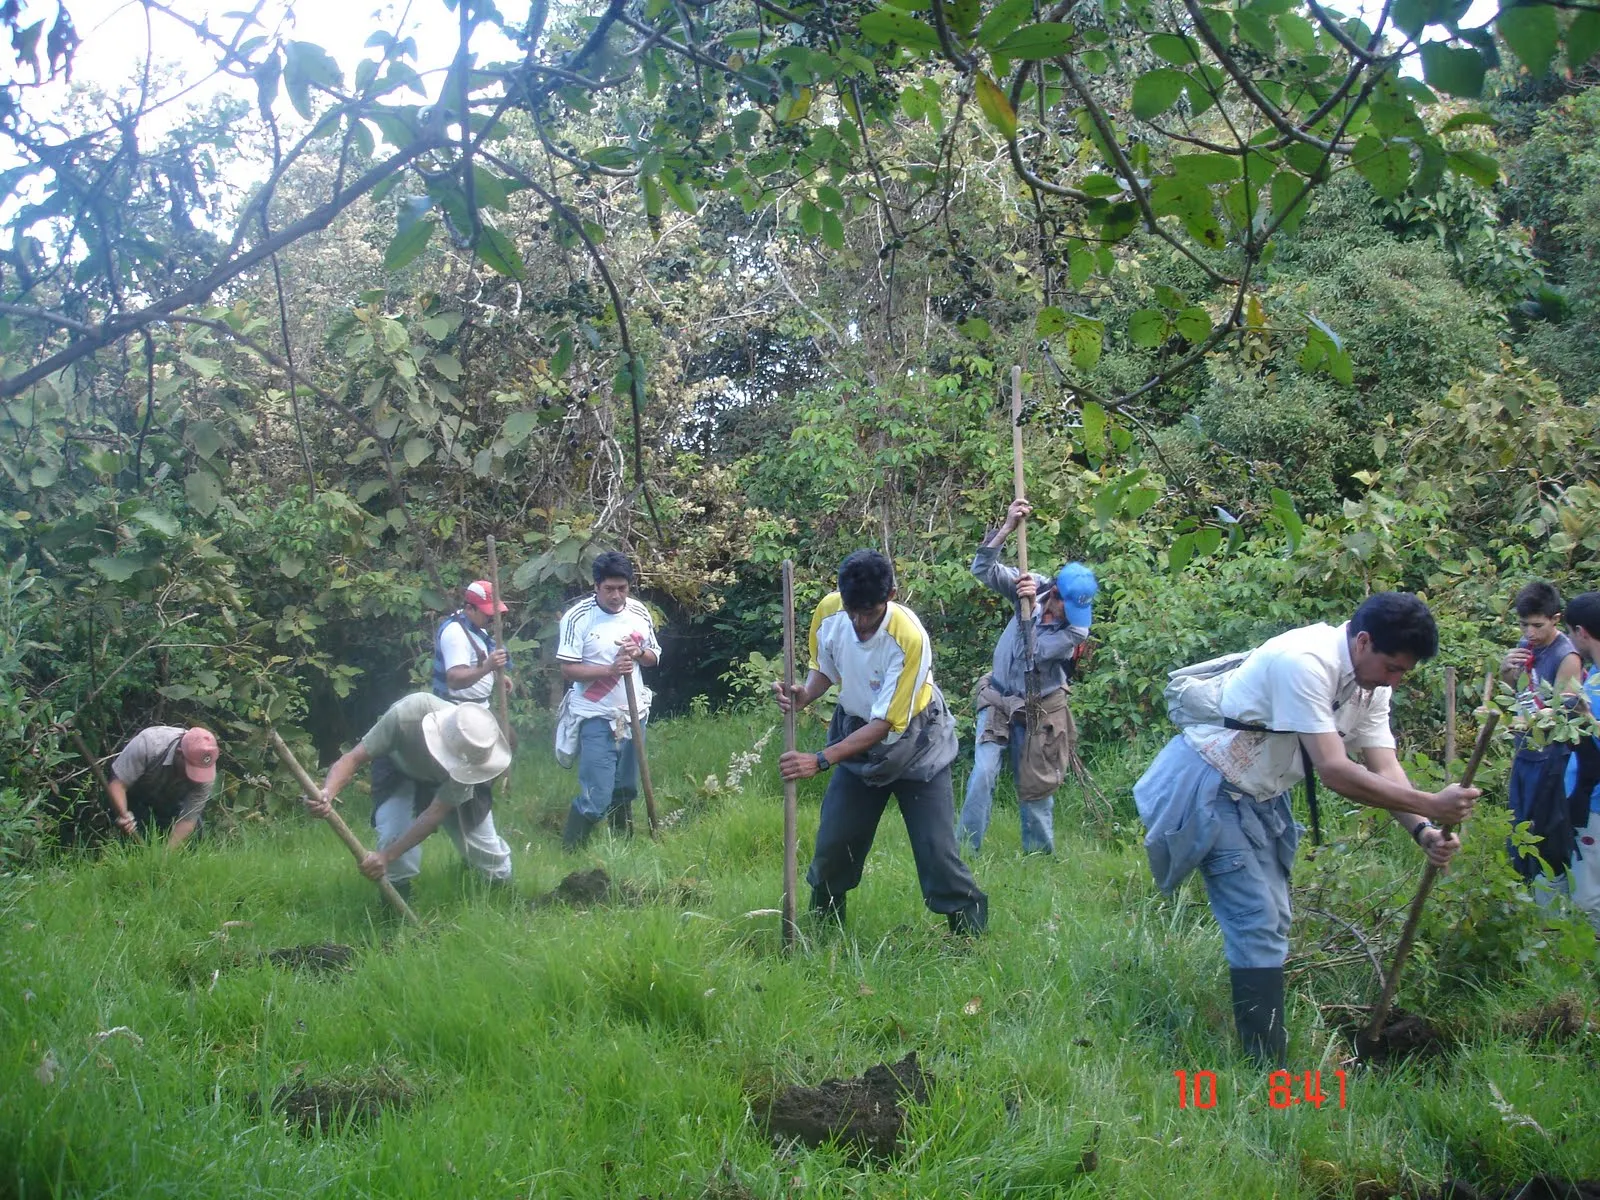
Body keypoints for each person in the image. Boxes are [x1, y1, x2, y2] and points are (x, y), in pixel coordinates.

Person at [1133, 593, 1479, 1066]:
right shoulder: (1304, 662)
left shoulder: (1371, 683)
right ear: (1363, 641)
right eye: (1392, 667)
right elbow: (1335, 770)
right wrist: (1430, 802)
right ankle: (1265, 1067)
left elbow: (1383, 765)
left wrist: (1422, 830)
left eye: (1403, 672)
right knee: (1257, 920)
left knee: (1273, 918)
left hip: (1262, 793)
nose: (1393, 680)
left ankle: (1263, 1054)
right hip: (1212, 784)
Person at [774, 548, 989, 935]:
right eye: (853, 612)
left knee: (936, 853)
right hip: (854, 733)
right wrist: (804, 695)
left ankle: (970, 937)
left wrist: (820, 760)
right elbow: (826, 669)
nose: (859, 623)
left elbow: (887, 723)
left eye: (869, 614)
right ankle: (824, 930)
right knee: (835, 844)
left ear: (890, 595)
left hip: (917, 744)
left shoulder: (909, 637)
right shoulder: (829, 612)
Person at [957, 498, 1095, 855]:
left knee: (1036, 787)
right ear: (1057, 593)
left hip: (1042, 708)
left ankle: (1039, 857)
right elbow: (983, 570)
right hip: (999, 698)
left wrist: (1028, 610)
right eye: (1065, 601)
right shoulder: (1035, 586)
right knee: (983, 774)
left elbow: (1032, 653)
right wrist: (1006, 527)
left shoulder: (1076, 629)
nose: (1067, 610)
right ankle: (964, 852)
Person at [305, 694, 512, 898]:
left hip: (452, 782)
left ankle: (503, 894)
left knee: (485, 850)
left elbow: (434, 814)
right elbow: (353, 758)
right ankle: (394, 910)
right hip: (399, 768)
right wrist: (327, 793)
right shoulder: (405, 716)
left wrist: (387, 857)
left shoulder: (472, 759)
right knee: (392, 833)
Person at [555, 550, 661, 850]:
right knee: (596, 794)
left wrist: (638, 653)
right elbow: (568, 669)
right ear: (596, 586)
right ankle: (570, 851)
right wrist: (610, 669)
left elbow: (654, 656)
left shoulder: (639, 613)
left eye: (622, 588)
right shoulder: (578, 617)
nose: (616, 596)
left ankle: (622, 846)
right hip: (595, 714)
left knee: (625, 787)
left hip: (634, 711)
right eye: (609, 589)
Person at [1499, 580, 1583, 885]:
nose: (1530, 633)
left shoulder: (1567, 655)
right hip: (1525, 748)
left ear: (1555, 620)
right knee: (1517, 822)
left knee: (1541, 828)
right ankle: (1520, 888)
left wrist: (1525, 724)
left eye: (1537, 625)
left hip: (1551, 754)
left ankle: (1548, 893)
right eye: (1524, 625)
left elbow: (1561, 712)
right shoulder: (1525, 646)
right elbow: (1515, 690)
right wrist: (1507, 670)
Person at [432, 579, 512, 825]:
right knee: (482, 761)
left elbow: (479, 663)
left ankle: (472, 800)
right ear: (470, 609)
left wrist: (499, 676)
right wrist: (488, 667)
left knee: (508, 744)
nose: (491, 618)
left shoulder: (478, 631)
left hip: (481, 707)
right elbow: (455, 679)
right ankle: (469, 812)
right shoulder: (456, 633)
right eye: (487, 613)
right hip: (457, 711)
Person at [1554, 591, 1600, 933]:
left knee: (1589, 900)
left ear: (1581, 632)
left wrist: (1588, 720)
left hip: (1596, 804)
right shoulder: (1592, 677)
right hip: (1583, 802)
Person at [103, 725, 220, 849]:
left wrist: (165, 857)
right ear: (179, 753)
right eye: (191, 769)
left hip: (171, 805)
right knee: (127, 844)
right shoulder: (149, 743)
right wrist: (124, 815)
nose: (195, 777)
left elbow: (188, 819)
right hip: (134, 797)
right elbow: (118, 784)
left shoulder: (206, 772)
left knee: (196, 835)